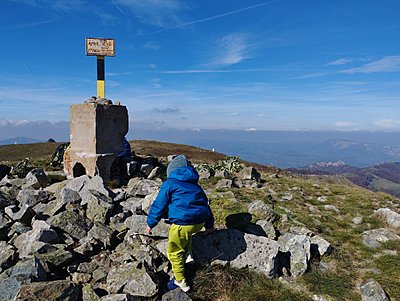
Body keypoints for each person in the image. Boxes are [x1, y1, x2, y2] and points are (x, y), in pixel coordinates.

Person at [146, 155, 215, 292]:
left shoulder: (170, 183)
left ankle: (180, 282)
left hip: (182, 223)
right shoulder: (195, 185)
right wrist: (209, 226)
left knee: (174, 252)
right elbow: (205, 205)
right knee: (187, 235)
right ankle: (188, 256)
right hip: (199, 222)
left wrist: (150, 223)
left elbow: (159, 205)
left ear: (171, 171)